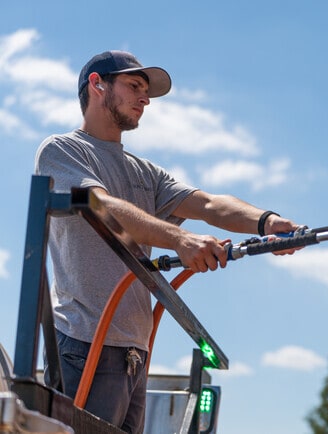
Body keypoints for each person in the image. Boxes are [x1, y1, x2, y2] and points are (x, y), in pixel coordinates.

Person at [34, 50, 301, 433]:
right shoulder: (62, 150)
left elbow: (208, 204)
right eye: (134, 86)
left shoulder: (146, 173)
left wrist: (267, 222)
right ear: (97, 84)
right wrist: (180, 239)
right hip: (85, 340)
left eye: (146, 91)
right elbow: (101, 206)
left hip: (135, 352)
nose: (145, 98)